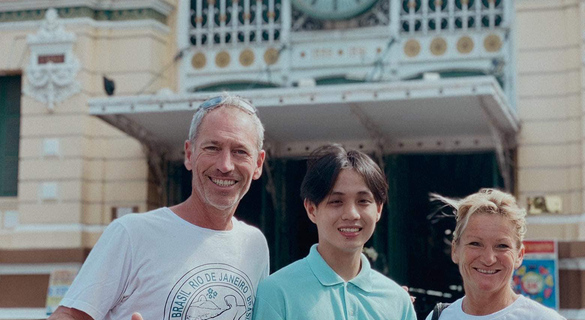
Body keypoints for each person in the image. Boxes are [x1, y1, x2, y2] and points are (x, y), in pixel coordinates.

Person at [50, 94, 270, 320]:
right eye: (212, 148)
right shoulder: (132, 234)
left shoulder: (255, 245)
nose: (225, 165)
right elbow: (68, 315)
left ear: (258, 164)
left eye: (240, 152)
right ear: (189, 154)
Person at [253, 144, 417, 320]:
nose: (351, 214)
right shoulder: (277, 293)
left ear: (378, 209)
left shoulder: (397, 301)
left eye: (363, 201)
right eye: (336, 201)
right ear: (311, 209)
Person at [427, 189, 565, 320]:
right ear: (455, 250)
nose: (489, 259)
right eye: (475, 244)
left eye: (502, 246)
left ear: (519, 255)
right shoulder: (439, 317)